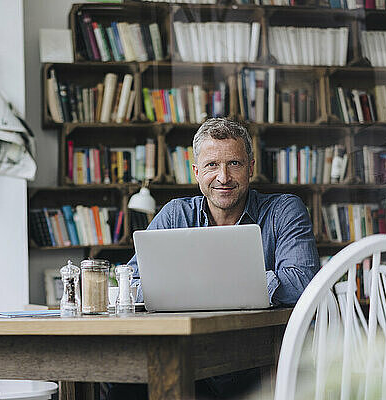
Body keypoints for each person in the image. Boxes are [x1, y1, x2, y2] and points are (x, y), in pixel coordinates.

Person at [107, 118, 320, 400]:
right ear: (196, 172)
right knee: (119, 381)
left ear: (251, 168)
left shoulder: (284, 211)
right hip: (185, 352)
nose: (223, 177)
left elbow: (303, 282)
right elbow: (133, 282)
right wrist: (242, 287)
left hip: (259, 362)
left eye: (234, 163)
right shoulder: (174, 215)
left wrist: (208, 286)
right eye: (211, 165)